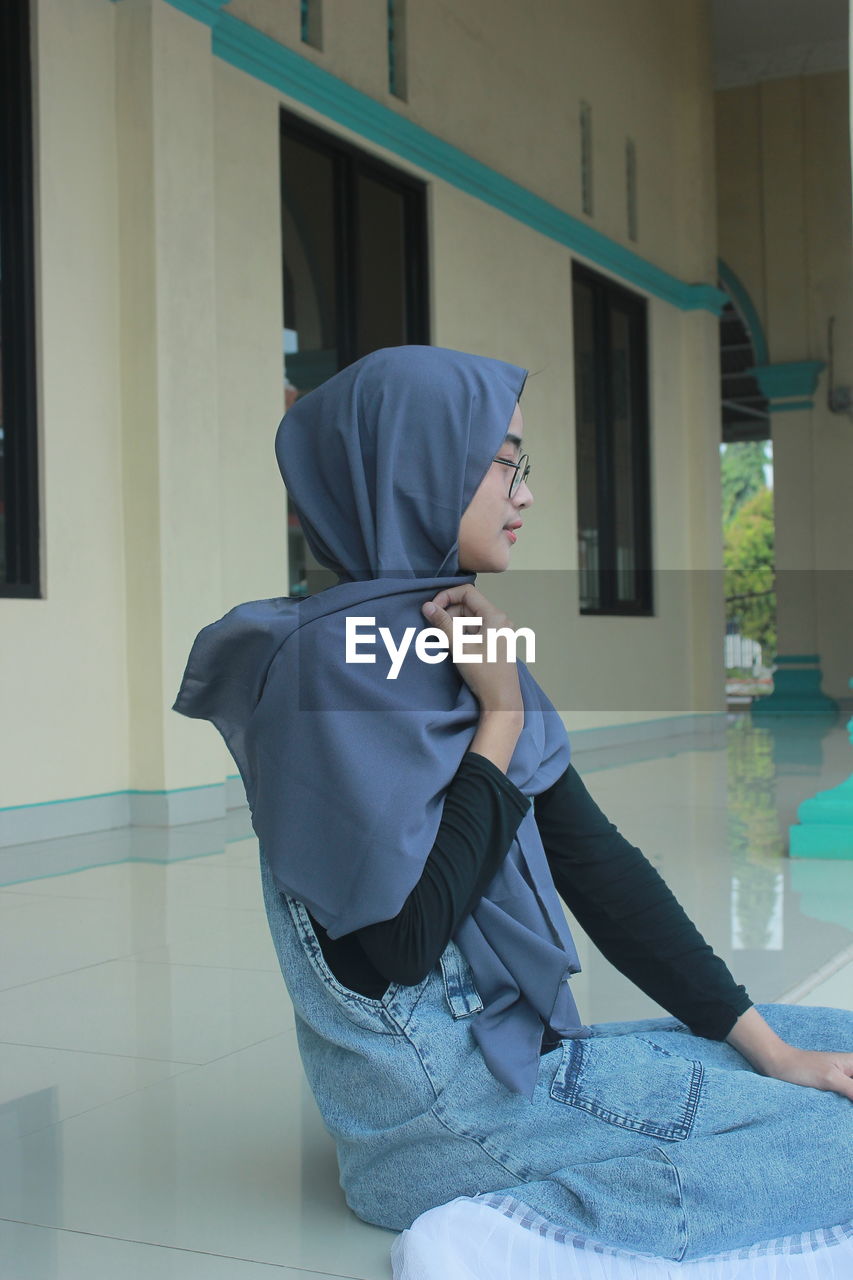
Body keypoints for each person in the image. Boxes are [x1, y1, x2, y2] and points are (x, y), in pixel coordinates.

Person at [173, 345, 853, 1265]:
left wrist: (769, 1050)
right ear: (416, 467)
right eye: (504, 463)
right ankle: (511, 1236)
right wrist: (499, 715)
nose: (525, 494)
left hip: (518, 1066)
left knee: (829, 1051)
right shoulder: (322, 678)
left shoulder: (454, 633)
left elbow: (599, 869)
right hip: (442, 1125)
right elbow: (404, 942)